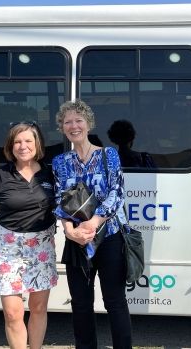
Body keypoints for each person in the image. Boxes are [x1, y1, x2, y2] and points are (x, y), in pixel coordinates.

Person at [52, 100, 132, 349]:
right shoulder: (60, 162)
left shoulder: (109, 155)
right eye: (68, 122)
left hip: (109, 237)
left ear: (88, 124)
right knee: (81, 303)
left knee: (115, 302)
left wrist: (95, 221)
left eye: (78, 120)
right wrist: (69, 230)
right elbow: (59, 199)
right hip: (77, 240)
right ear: (62, 128)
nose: (73, 125)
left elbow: (117, 193)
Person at [0, 121, 58, 349]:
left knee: (38, 308)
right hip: (9, 249)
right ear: (10, 146)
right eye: (17, 141)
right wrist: (8, 238)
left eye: (28, 140)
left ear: (37, 144)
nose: (22, 146)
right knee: (13, 313)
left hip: (42, 248)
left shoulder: (50, 173)